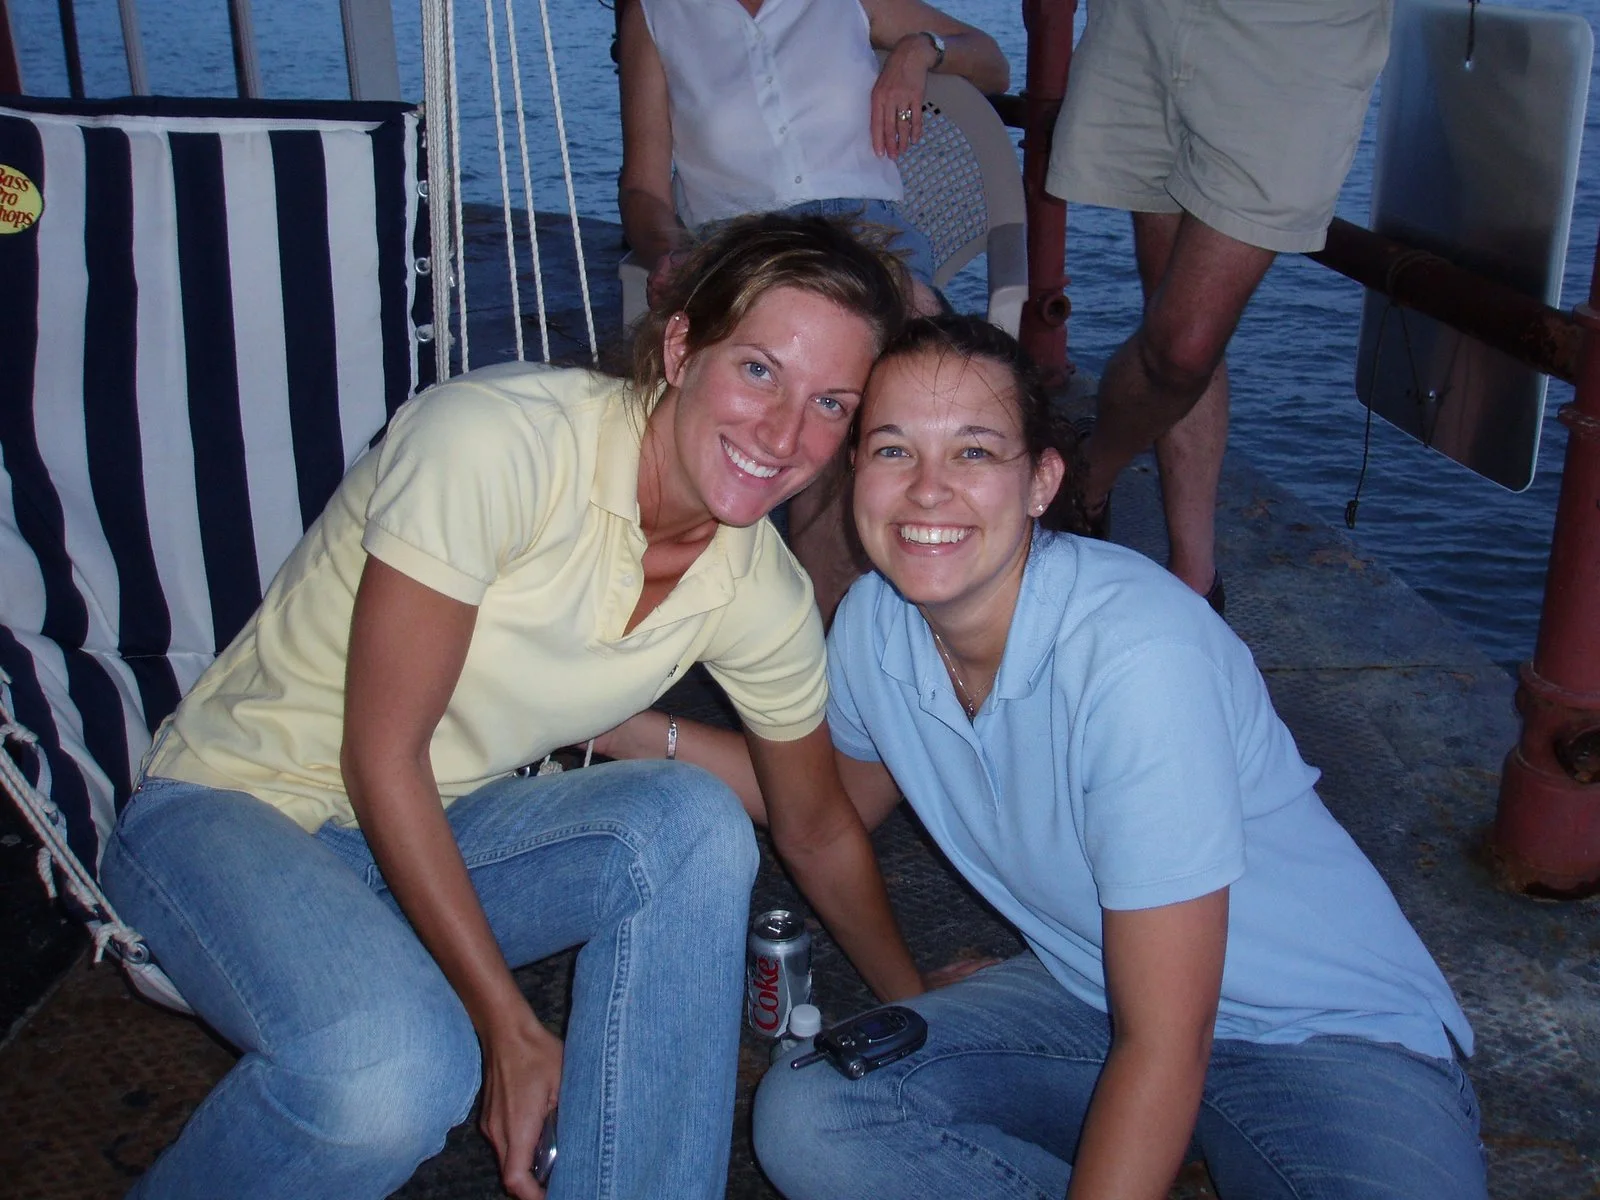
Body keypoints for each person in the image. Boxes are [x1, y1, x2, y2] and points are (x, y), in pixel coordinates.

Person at [98, 213, 927, 1200]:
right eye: (758, 371)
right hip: (227, 813)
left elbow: (819, 824)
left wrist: (919, 1009)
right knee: (399, 1075)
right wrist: (508, 1025)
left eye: (831, 403)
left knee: (693, 824)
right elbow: (383, 759)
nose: (786, 433)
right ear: (680, 347)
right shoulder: (498, 443)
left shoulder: (756, 590)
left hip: (444, 835)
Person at [610, 315, 1486, 1198]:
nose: (927, 491)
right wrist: (614, 719)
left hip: (1326, 1036)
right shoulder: (879, 625)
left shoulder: (1137, 657)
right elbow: (824, 804)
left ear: (1042, 481)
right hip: (1096, 1000)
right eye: (892, 450)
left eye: (976, 453)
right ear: (853, 473)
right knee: (815, 1114)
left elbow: (1167, 1042)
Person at [1046, 0, 1392, 613]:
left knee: (1184, 346)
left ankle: (1091, 472)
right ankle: (1195, 578)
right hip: (1146, 16)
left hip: (1291, 33)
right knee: (1165, 315)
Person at [617, 0, 1010, 311]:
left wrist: (918, 50)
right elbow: (643, 190)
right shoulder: (655, 13)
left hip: (868, 236)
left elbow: (993, 65)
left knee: (921, 345)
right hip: (742, 246)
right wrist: (670, 254)